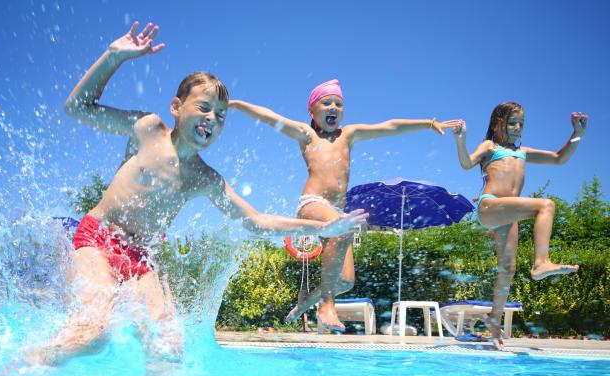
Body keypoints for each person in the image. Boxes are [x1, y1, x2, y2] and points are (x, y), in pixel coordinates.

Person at [27, 23, 367, 365]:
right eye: (203, 108)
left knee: (168, 348)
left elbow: (256, 221)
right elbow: (77, 107)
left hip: (143, 260)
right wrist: (114, 58)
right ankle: (13, 374)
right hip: (99, 239)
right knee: (93, 334)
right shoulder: (147, 129)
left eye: (220, 116)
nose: (211, 119)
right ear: (176, 107)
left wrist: (322, 229)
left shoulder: (206, 178)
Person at [230, 80, 460, 332]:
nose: (333, 107)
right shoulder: (307, 135)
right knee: (342, 231)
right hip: (312, 204)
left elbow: (388, 126)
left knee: (345, 281)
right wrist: (237, 105)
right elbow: (270, 117)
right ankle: (326, 304)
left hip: (337, 213)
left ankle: (307, 300)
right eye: (326, 102)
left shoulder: (348, 135)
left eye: (339, 104)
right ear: (312, 111)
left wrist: (427, 124)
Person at [452, 102, 588, 348]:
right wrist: (461, 141)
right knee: (545, 205)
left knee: (507, 270)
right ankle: (541, 262)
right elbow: (465, 163)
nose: (517, 127)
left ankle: (494, 322)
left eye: (521, 124)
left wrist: (577, 135)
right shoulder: (489, 147)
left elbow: (559, 158)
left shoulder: (523, 151)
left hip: (508, 215)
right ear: (497, 124)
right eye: (512, 122)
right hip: (491, 205)